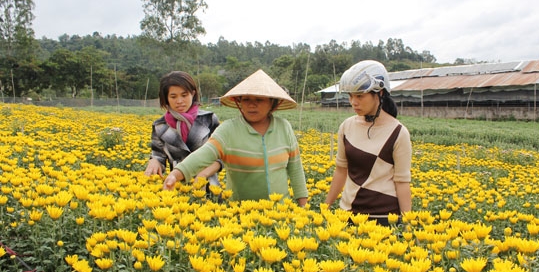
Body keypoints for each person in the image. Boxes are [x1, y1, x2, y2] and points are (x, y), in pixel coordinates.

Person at [163, 69, 309, 207]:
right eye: (246, 99)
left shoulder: (284, 128)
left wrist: (304, 208)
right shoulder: (228, 130)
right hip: (239, 214)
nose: (252, 104)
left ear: (273, 103)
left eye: (259, 99)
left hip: (280, 213)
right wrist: (175, 174)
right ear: (239, 102)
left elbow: (296, 170)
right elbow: (203, 154)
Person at [325, 60, 412, 226]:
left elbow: (402, 182)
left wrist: (408, 224)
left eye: (359, 96)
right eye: (350, 96)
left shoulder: (398, 132)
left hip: (382, 219)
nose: (353, 102)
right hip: (347, 215)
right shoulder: (347, 126)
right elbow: (341, 170)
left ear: (379, 93)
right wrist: (326, 206)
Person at [144, 71, 222, 184]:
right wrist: (155, 161)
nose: (179, 101)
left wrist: (203, 174)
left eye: (184, 95)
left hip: (208, 186)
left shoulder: (208, 119)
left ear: (193, 94)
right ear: (166, 98)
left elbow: (222, 156)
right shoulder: (160, 126)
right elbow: (158, 156)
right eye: (173, 96)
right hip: (176, 187)